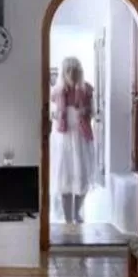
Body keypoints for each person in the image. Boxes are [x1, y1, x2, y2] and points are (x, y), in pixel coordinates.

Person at [51, 56, 96, 224]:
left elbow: (93, 112)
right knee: (64, 179)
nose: (73, 74)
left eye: (76, 70)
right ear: (64, 72)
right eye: (70, 70)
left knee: (82, 176)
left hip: (81, 137)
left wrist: (85, 111)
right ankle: (67, 217)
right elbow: (51, 112)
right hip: (63, 139)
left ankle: (76, 212)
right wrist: (56, 115)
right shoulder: (56, 91)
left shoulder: (87, 89)